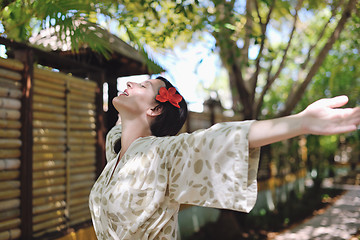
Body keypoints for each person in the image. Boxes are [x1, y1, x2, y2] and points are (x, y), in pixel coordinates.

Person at [89, 76, 360, 240]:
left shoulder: (161, 155)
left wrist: (301, 122)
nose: (129, 83)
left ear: (155, 108)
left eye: (143, 85)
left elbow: (217, 139)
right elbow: (119, 131)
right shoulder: (116, 152)